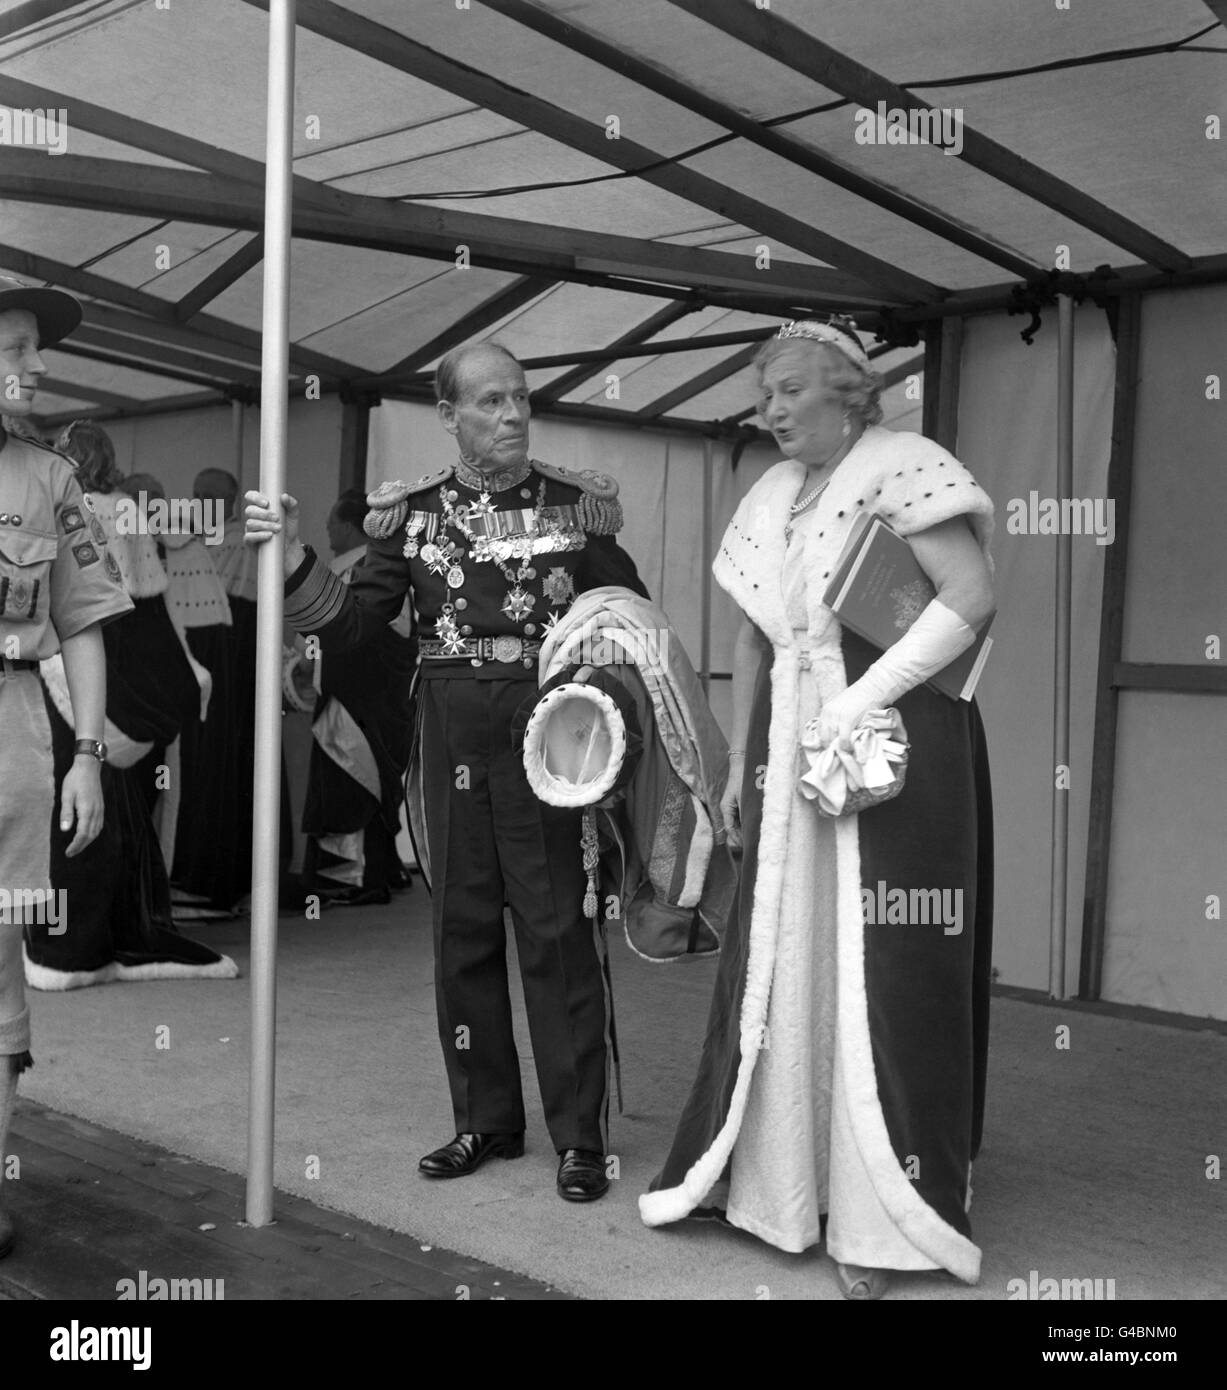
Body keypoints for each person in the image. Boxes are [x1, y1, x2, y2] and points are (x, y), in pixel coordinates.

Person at [639, 318, 996, 1299]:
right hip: (790, 748)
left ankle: (887, 1218)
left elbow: (971, 595)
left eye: (793, 387)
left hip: (899, 748)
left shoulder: (904, 464)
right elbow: (755, 639)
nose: (773, 407)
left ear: (849, 387)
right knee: (788, 961)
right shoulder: (767, 494)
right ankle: (781, 1191)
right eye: (764, 391)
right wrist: (738, 769)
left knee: (880, 965)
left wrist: (859, 699)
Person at [246, 341, 647, 1202]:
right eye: (491, 402)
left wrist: (602, 712)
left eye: (520, 400)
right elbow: (354, 630)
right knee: (461, 933)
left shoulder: (578, 508)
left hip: (550, 737)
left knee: (556, 932)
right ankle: (485, 1121)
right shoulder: (413, 516)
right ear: (450, 415)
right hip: (450, 737)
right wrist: (287, 560)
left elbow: (628, 616)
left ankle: (579, 1137)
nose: (511, 416)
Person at [0, 277, 132, 1258]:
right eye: (13, 346)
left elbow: (83, 626)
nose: (33, 364)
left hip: (13, 743)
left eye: (33, 347)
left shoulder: (51, 480)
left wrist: (88, 754)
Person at [24, 422, 237, 989]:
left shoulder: (67, 506)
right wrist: (184, 674)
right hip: (131, 685)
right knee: (124, 817)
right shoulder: (130, 511)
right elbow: (152, 607)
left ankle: (65, 946)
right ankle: (116, 926)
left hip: (68, 677)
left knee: (62, 814)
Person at [298, 488, 417, 905]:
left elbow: (374, 639)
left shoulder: (367, 571)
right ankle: (378, 868)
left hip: (362, 702)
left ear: (350, 526)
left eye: (332, 523)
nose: (327, 529)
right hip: (359, 699)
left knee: (356, 783)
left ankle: (358, 876)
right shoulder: (348, 570)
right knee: (353, 784)